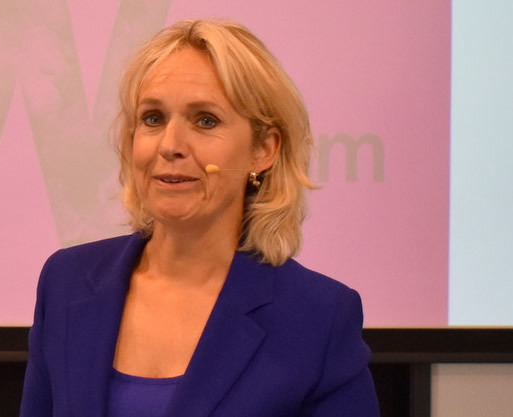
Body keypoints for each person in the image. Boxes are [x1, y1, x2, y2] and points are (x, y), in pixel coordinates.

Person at [19, 19, 379, 417]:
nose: (170, 145)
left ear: (263, 150)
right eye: (153, 118)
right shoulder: (66, 282)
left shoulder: (318, 317)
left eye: (205, 120)